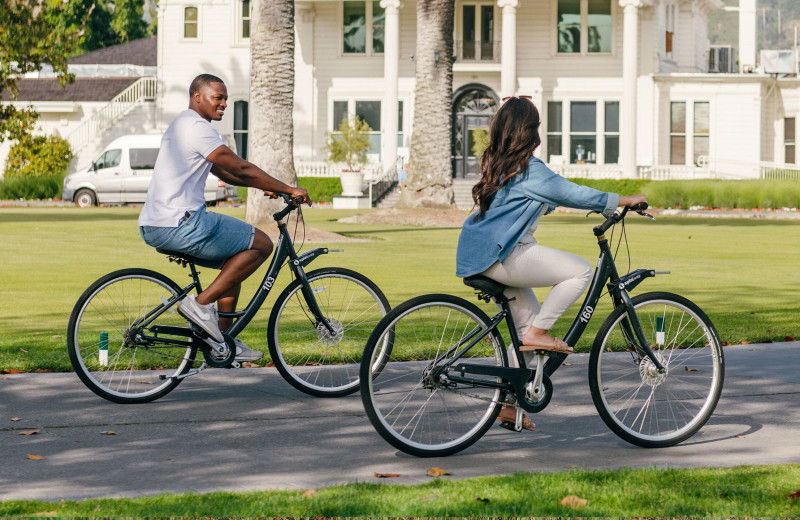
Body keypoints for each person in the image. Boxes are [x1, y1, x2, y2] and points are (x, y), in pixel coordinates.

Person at [455, 96, 646, 431]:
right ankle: (542, 333)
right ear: (530, 131)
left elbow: (545, 198)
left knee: (525, 331)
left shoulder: (501, 163)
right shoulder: (529, 169)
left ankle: (508, 406)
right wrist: (623, 200)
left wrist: (559, 201)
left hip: (482, 255)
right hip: (503, 254)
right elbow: (571, 192)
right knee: (580, 270)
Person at [138, 73, 309, 362]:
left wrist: (268, 186)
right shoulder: (198, 128)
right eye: (218, 97)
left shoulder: (182, 125)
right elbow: (240, 168)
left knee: (238, 260)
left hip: (157, 224)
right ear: (197, 97)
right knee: (261, 244)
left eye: (226, 98)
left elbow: (224, 173)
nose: (224, 104)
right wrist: (287, 187)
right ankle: (200, 305)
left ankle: (220, 342)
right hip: (182, 221)